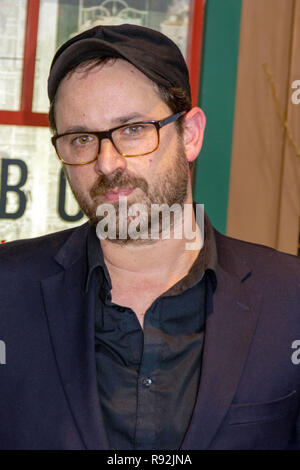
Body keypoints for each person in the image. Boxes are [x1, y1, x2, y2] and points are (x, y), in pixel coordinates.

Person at [0, 24, 300, 451]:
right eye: (82, 138)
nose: (107, 163)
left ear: (190, 135)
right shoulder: (7, 291)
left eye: (133, 129)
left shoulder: (289, 299)